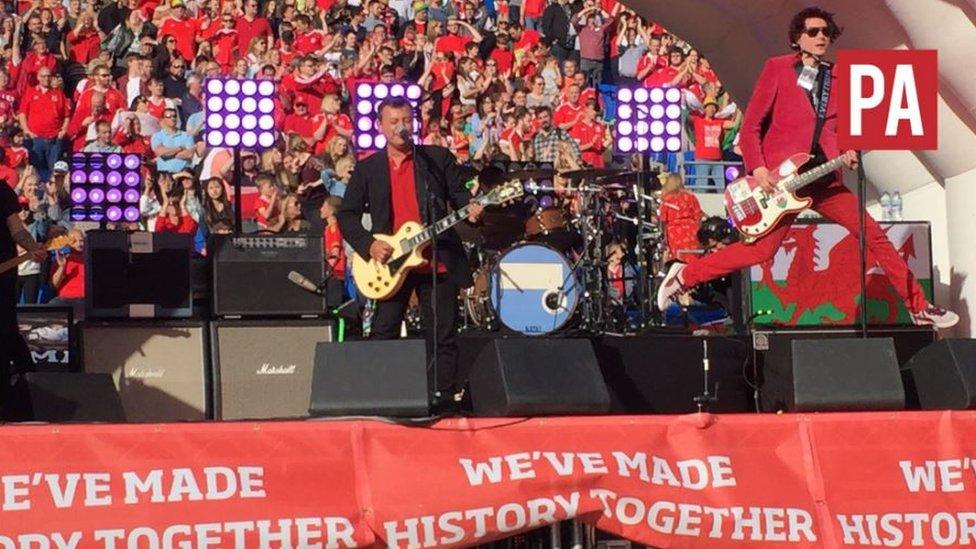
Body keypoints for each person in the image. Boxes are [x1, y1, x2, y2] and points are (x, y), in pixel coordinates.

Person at [656, 6, 958, 329]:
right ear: (797, 38)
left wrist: (847, 151)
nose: (820, 37)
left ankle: (918, 306)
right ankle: (685, 274)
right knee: (759, 253)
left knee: (874, 235)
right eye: (813, 32)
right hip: (779, 183)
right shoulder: (777, 69)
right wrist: (758, 170)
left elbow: (834, 130)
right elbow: (751, 127)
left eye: (826, 32)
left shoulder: (837, 77)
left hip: (823, 179)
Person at [337, 96, 484, 412]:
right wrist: (369, 245)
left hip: (435, 259)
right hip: (390, 262)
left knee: (441, 331)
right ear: (380, 126)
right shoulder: (368, 168)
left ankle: (441, 396)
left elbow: (458, 195)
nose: (401, 127)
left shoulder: (435, 159)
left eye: (406, 121)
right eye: (394, 122)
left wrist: (470, 210)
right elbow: (346, 215)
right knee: (384, 329)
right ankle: (381, 394)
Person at [0, 181, 46, 401]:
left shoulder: (1, 190)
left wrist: (32, 247)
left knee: (5, 330)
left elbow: (17, 229)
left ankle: (31, 389)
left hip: (3, 273)